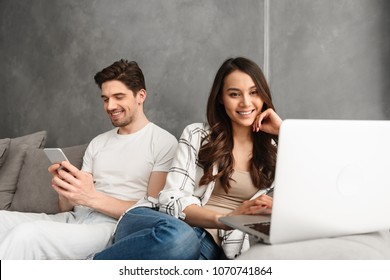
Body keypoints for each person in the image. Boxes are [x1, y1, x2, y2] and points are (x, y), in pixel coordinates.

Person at [93, 57, 282, 260]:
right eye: (234, 94)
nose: (245, 102)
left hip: (215, 247)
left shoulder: (277, 149)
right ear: (220, 98)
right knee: (181, 238)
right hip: (163, 224)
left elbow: (313, 193)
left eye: (253, 92)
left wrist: (283, 132)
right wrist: (226, 219)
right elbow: (171, 199)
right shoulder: (197, 135)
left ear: (263, 95)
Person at [0, 59, 178, 259]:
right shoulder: (98, 143)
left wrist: (92, 198)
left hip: (112, 228)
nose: (110, 106)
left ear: (141, 96)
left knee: (27, 236)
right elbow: (68, 206)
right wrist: (65, 187)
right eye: (105, 98)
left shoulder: (163, 142)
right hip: (75, 218)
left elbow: (154, 211)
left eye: (118, 97)